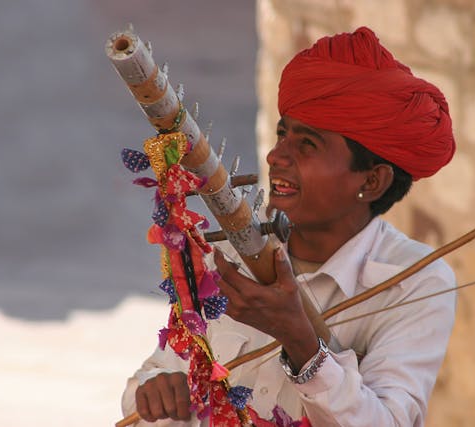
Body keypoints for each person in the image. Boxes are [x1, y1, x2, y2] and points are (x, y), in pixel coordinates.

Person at [122, 26, 456, 426]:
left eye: (307, 144)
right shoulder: (232, 251)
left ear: (371, 181)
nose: (276, 155)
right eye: (283, 134)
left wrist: (298, 337)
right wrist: (156, 391)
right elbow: (153, 380)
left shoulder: (417, 282)